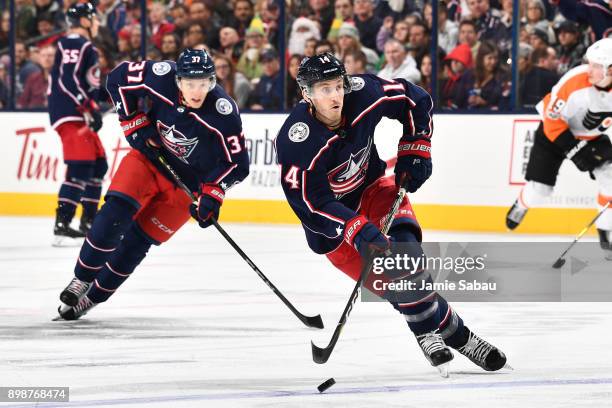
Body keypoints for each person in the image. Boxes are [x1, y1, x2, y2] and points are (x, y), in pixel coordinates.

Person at [275, 53, 507, 375]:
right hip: (333, 234)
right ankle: (460, 336)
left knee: (406, 256)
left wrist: (416, 146)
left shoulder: (364, 93)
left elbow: (415, 100)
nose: (335, 95)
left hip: (373, 189)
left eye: (338, 86)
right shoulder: (297, 141)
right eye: (324, 89)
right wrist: (355, 227)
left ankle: (426, 333)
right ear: (307, 95)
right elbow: (310, 204)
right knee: (402, 288)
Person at [55, 48, 250, 320]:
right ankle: (82, 279)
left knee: (136, 244)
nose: (197, 91)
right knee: (114, 214)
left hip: (186, 186)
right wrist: (132, 120)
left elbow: (238, 164)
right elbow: (118, 79)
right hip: (148, 161)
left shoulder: (223, 112)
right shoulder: (160, 76)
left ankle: (94, 298)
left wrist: (213, 193)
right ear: (178, 80)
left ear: (212, 82)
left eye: (203, 84)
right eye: (190, 84)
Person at [506, 38, 612, 260]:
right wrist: (575, 151)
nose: (588, 68)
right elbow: (552, 121)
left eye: (595, 65)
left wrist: (584, 148)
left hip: (592, 136)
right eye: (589, 62)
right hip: (554, 134)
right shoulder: (575, 81)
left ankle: (606, 231)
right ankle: (523, 202)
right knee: (540, 192)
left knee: (611, 180)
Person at [47, 2, 107, 246]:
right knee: (81, 167)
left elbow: (88, 84)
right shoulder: (74, 41)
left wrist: (115, 94)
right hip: (70, 113)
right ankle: (62, 226)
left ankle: (89, 223)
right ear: (84, 21)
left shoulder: (84, 45)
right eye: (93, 18)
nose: (96, 23)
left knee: (99, 166)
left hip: (78, 113)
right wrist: (90, 106)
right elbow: (68, 80)